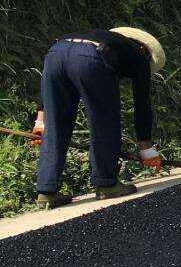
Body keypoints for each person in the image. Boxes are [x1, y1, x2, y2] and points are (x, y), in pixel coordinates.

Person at [31, 27, 166, 209]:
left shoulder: (105, 39)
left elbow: (48, 94)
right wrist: (147, 150)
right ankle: (106, 184)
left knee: (55, 125)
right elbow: (142, 103)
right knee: (104, 119)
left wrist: (41, 121)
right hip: (89, 58)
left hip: (55, 54)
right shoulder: (139, 54)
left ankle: (46, 193)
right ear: (144, 49)